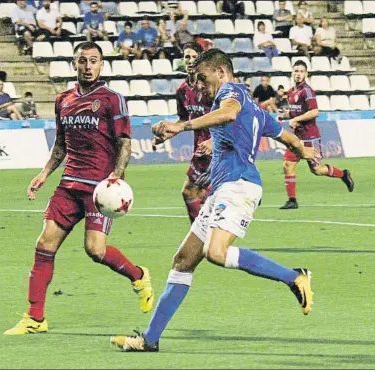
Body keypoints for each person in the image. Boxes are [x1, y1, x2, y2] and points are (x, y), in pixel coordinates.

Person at [110, 49, 318, 352]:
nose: (201, 87)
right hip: (222, 190)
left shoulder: (231, 92)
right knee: (183, 261)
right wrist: (305, 153)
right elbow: (285, 135)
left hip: (240, 187)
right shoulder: (256, 111)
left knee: (216, 253)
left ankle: (294, 277)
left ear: (221, 72)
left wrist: (181, 126)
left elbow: (230, 112)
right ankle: (149, 339)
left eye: (204, 79)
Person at [4, 42, 154, 335]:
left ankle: (139, 276)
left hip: (100, 190)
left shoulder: (112, 99)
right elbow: (60, 144)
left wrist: (117, 176)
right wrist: (44, 173)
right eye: (83, 60)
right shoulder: (63, 100)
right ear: (75, 63)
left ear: (101, 65)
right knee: (44, 245)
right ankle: (35, 318)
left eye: (93, 61)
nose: (88, 66)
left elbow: (124, 141)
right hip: (69, 185)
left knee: (95, 250)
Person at [278, 60, 354, 209]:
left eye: (301, 71)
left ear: (306, 74)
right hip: (297, 138)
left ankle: (343, 174)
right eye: (296, 71)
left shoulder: (307, 91)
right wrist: (284, 116)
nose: (298, 74)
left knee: (317, 170)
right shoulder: (291, 92)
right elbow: (295, 112)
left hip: (310, 137)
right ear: (292, 73)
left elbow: (314, 112)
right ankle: (292, 200)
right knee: (287, 165)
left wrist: (296, 119)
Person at [158, 43, 212, 224]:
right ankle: (204, 233)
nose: (190, 61)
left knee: (190, 191)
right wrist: (168, 133)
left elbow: (226, 117)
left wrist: (213, 140)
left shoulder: (210, 87)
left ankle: (197, 235)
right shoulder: (182, 90)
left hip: (216, 146)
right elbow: (183, 120)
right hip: (200, 148)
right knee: (201, 194)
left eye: (193, 56)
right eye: (186, 57)